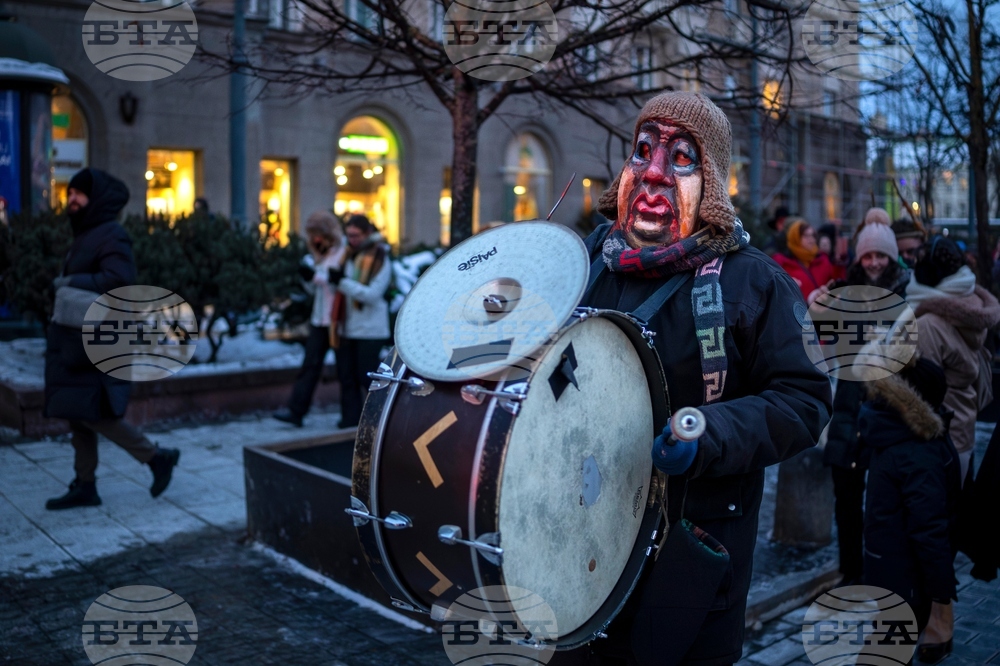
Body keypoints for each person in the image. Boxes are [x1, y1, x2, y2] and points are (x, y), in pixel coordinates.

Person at [582, 92, 832, 665]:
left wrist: (707, 434)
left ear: (713, 181)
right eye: (643, 151)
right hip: (583, 542)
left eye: (681, 159)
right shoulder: (588, 262)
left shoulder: (756, 283)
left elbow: (805, 400)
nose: (653, 173)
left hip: (689, 552)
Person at [44, 168, 180, 510]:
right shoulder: (87, 233)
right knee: (76, 410)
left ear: (97, 199)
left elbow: (119, 280)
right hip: (77, 338)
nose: (71, 199)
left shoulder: (111, 234)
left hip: (97, 339)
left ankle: (156, 457)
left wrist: (70, 282)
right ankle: (85, 484)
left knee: (95, 412)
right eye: (70, 193)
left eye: (79, 193)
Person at [906, 235, 1000, 660]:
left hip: (937, 438)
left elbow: (919, 394)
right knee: (944, 524)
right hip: (963, 434)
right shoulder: (972, 303)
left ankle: (938, 617)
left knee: (933, 530)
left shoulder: (928, 322)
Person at [822, 218, 910, 586]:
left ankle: (883, 573)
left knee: (883, 504)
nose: (874, 262)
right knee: (846, 499)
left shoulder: (905, 297)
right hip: (847, 409)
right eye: (868, 255)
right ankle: (851, 573)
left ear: (891, 258)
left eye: (880, 255)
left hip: (887, 415)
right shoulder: (846, 294)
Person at [860, 354, 961, 661]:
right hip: (907, 572)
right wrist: (941, 588)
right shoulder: (917, 452)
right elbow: (928, 527)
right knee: (888, 647)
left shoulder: (894, 428)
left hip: (889, 564)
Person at [273, 211, 346, 428]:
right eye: (312, 234)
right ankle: (296, 411)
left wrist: (316, 277)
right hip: (319, 319)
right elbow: (316, 290)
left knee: (345, 370)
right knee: (309, 366)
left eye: (318, 233)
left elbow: (339, 284)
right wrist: (308, 278)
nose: (316, 238)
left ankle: (351, 416)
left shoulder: (342, 252)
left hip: (338, 320)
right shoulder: (318, 253)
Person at [326, 214, 392, 429]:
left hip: (371, 330)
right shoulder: (348, 255)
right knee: (347, 377)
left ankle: (379, 419)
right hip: (346, 327)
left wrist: (342, 282)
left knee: (368, 378)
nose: (351, 240)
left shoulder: (380, 257)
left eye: (356, 235)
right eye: (349, 235)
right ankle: (350, 420)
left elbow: (372, 294)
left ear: (368, 233)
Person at [771, 217, 841, 303]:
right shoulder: (782, 262)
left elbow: (836, 282)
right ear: (795, 238)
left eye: (813, 235)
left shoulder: (823, 259)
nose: (811, 239)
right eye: (806, 235)